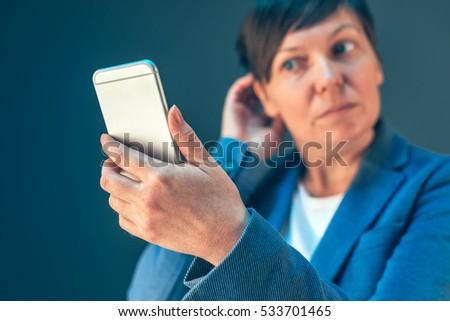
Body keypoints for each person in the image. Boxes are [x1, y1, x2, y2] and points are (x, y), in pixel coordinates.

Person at [99, 0, 450, 300]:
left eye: (342, 48)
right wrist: (234, 155)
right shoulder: (257, 186)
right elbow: (150, 301)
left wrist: (228, 238)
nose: (328, 77)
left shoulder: (437, 187)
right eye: (293, 63)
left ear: (377, 64)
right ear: (265, 96)